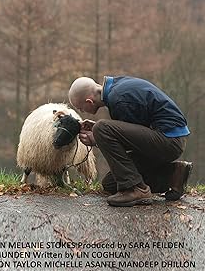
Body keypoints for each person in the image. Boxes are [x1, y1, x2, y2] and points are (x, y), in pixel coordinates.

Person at [68, 76, 192, 207]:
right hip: (166, 138)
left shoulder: (119, 100)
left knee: (102, 128)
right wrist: (99, 133)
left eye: (80, 108)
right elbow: (133, 135)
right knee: (110, 183)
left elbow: (131, 145)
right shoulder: (117, 88)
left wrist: (97, 138)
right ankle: (173, 175)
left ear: (89, 101)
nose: (82, 112)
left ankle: (136, 190)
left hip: (169, 140)